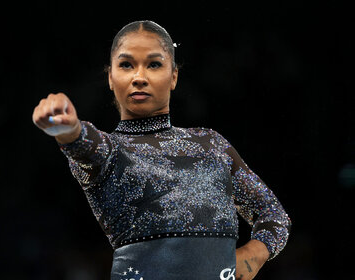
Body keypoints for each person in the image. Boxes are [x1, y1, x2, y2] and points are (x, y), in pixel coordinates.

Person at [32, 20, 291, 280]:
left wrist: (254, 255)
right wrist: (67, 127)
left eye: (154, 64)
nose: (140, 77)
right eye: (126, 65)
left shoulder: (211, 144)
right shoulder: (111, 151)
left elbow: (273, 214)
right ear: (110, 77)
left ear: (174, 76)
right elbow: (83, 143)